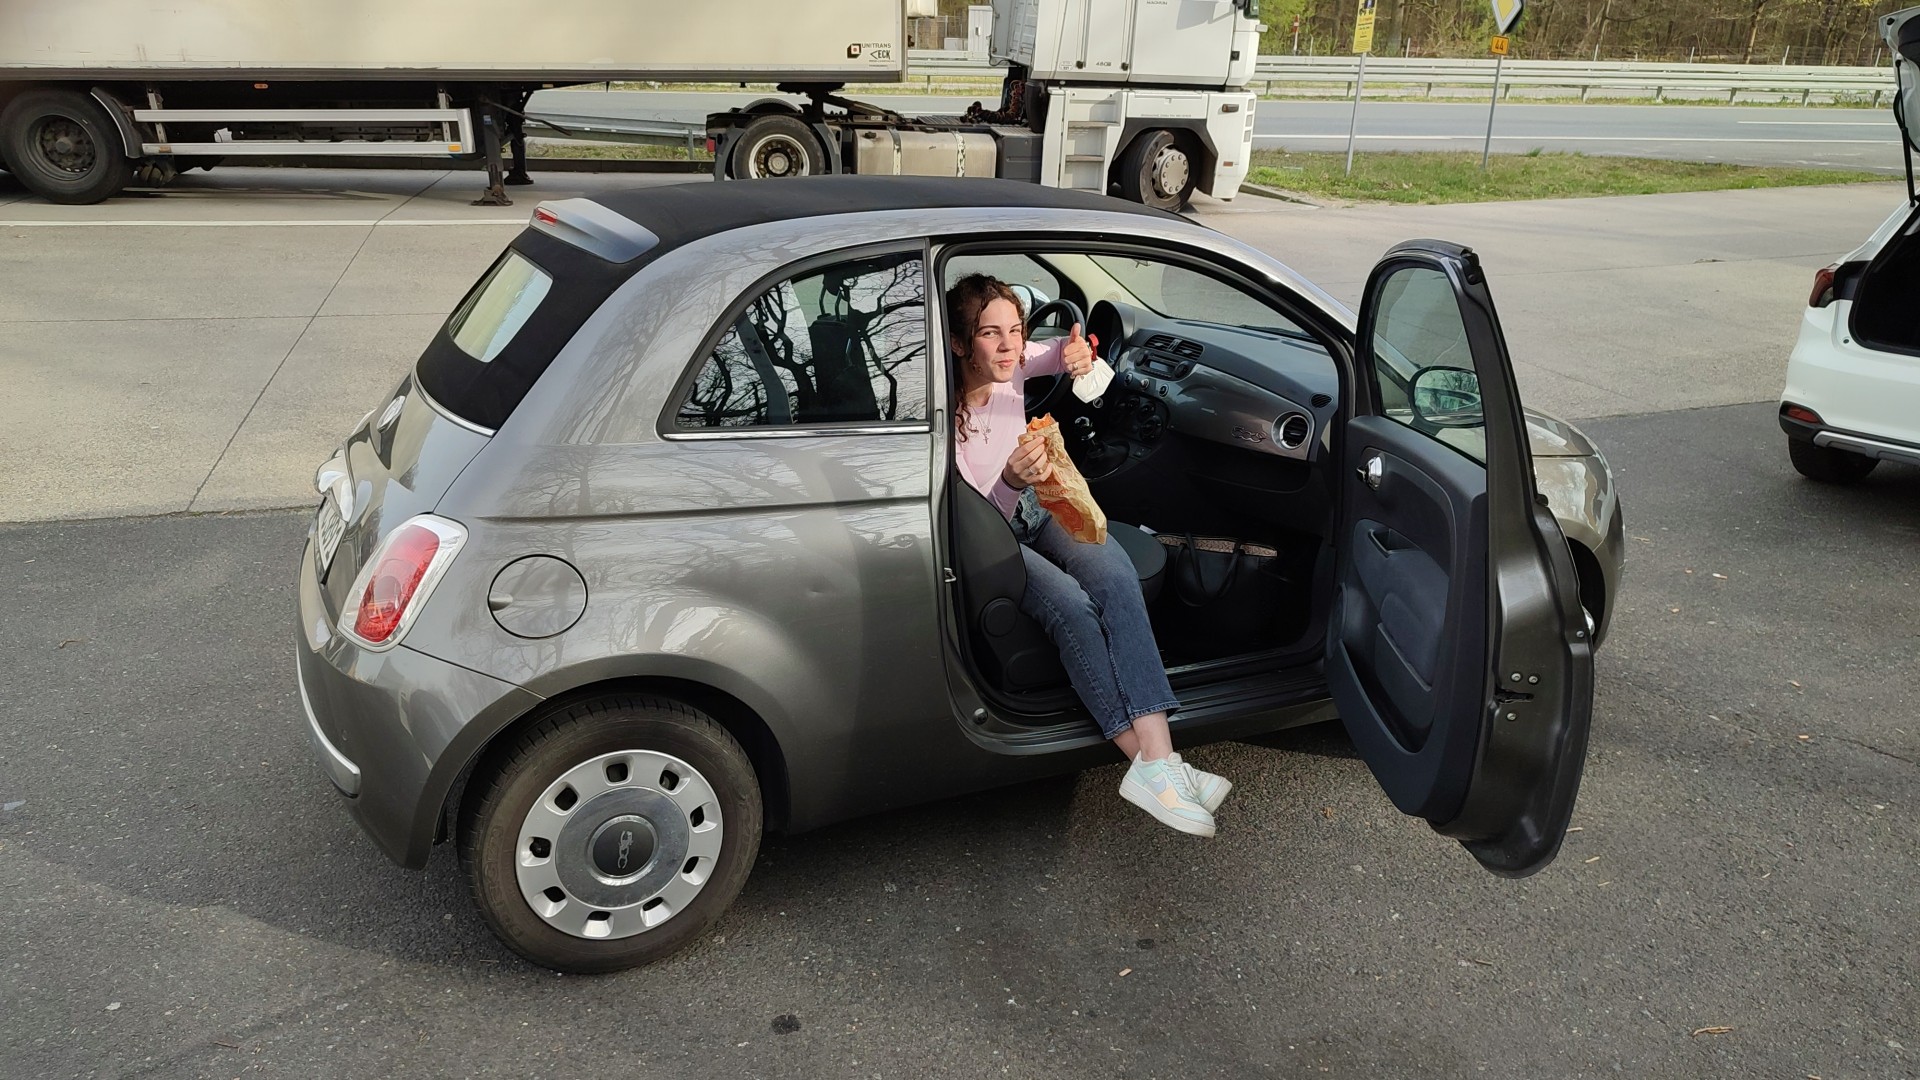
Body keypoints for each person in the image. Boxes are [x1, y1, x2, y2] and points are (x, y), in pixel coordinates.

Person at [946, 274, 1232, 837]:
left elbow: (1056, 353)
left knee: (1115, 573)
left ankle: (1160, 761)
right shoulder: (946, 414)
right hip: (991, 534)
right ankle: (1151, 766)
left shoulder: (1014, 362)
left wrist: (1077, 353)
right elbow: (980, 523)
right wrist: (1009, 480)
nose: (1008, 346)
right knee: (1073, 608)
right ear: (959, 344)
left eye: (1015, 331)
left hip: (1036, 506)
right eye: (989, 334)